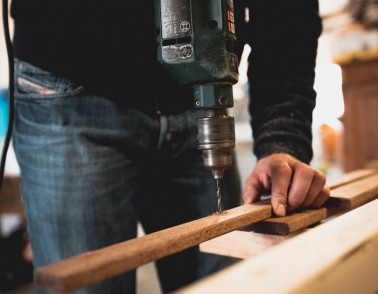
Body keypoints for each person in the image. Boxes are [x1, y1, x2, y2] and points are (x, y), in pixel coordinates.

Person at [9, 0, 330, 293]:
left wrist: (282, 137)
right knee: (86, 284)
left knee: (225, 283)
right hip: (67, 89)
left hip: (192, 99)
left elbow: (288, 15)